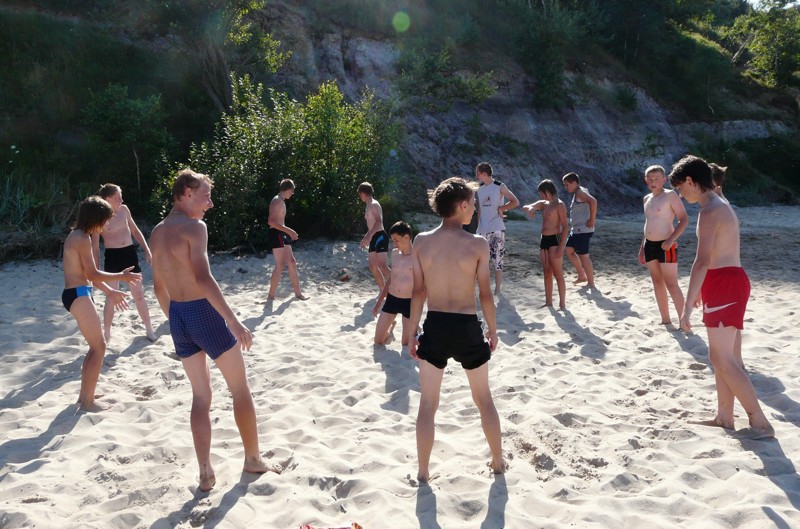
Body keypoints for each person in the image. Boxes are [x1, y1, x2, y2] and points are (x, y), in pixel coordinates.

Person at [150, 168, 279, 491]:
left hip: (177, 315)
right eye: (205, 196)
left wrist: (175, 320)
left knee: (200, 396)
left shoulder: (157, 232)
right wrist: (233, 320)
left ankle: (205, 472)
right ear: (187, 192)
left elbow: (159, 288)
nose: (210, 204)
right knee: (240, 389)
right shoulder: (195, 227)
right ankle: (252, 459)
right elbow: (203, 278)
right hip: (202, 312)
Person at [670, 155, 774, 440]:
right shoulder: (717, 202)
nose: (680, 194)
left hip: (725, 283)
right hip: (724, 281)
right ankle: (724, 417)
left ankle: (760, 424)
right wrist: (701, 291)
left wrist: (686, 306)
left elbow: (702, 261)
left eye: (680, 187)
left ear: (691, 181)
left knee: (721, 358)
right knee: (726, 358)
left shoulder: (711, 210)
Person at [409, 177, 505, 483]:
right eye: (473, 204)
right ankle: (498, 462)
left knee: (428, 404)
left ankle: (423, 471)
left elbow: (418, 292)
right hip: (466, 326)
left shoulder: (421, 241)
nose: (475, 209)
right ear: (462, 205)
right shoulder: (477, 244)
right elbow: (485, 294)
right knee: (484, 399)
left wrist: (411, 332)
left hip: (435, 325)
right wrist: (492, 330)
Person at [62, 196, 141, 411]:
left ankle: (84, 396)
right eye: (105, 220)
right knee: (99, 347)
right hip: (78, 295)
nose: (106, 225)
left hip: (77, 293)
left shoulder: (77, 235)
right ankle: (88, 402)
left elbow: (89, 277)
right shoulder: (82, 238)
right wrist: (122, 276)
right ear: (94, 218)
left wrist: (111, 291)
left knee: (95, 347)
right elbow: (93, 274)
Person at [91, 184, 156, 342]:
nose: (121, 200)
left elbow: (135, 230)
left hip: (129, 254)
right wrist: (95, 268)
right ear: (108, 199)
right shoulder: (99, 217)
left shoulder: (124, 210)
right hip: (112, 256)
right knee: (111, 296)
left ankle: (149, 329)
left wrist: (147, 249)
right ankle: (107, 333)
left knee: (138, 294)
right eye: (118, 197)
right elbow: (95, 246)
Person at [638, 165, 688, 325]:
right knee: (657, 281)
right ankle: (665, 319)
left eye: (656, 179)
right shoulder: (647, 198)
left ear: (664, 180)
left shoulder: (670, 195)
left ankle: (684, 321)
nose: (653, 182)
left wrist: (671, 240)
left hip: (666, 245)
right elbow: (649, 223)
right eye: (650, 179)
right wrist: (642, 248)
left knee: (671, 283)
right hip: (649, 245)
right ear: (646, 181)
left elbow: (684, 219)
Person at [523, 180, 570, 310]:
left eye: (542, 193)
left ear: (547, 191)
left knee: (557, 273)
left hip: (555, 239)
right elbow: (524, 207)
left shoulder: (559, 204)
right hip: (544, 239)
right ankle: (548, 302)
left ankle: (562, 303)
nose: (541, 195)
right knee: (547, 271)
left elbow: (566, 227)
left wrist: (561, 247)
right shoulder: (543, 203)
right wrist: (531, 208)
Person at [475, 162, 519, 295]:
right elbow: (480, 210)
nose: (476, 176)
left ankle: (498, 289)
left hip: (497, 228)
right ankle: (484, 288)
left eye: (478, 173)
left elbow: (515, 202)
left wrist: (502, 208)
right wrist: (478, 228)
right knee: (481, 261)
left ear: (484, 173)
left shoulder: (500, 186)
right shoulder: (479, 189)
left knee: (498, 260)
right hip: (482, 230)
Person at [373, 221, 414, 346]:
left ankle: (414, 328)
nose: (394, 244)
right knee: (378, 341)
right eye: (392, 241)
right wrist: (379, 302)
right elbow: (391, 279)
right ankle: (390, 330)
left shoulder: (418, 257)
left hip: (409, 303)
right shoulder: (395, 254)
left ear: (406, 237)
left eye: (396, 240)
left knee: (405, 343)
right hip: (392, 300)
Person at [267, 179, 308, 301]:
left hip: (282, 233)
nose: (292, 193)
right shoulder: (277, 201)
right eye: (292, 191)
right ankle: (271, 296)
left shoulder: (281, 201)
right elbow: (271, 222)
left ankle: (298, 294)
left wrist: (287, 232)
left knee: (291, 261)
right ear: (289, 189)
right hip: (276, 234)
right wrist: (290, 231)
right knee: (280, 265)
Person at [561, 173, 597, 288]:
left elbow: (593, 202)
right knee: (569, 250)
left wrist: (592, 220)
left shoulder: (580, 192)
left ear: (574, 183)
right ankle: (582, 276)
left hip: (583, 230)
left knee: (584, 256)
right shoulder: (579, 191)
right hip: (576, 230)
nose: (565, 187)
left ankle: (591, 283)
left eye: (567, 185)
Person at [358, 182, 390, 295]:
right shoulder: (368, 205)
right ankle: (383, 290)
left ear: (363, 193)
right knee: (372, 266)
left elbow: (379, 222)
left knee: (382, 265)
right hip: (373, 237)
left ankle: (398, 286)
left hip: (380, 236)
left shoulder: (374, 204)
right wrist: (366, 238)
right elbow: (371, 226)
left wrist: (368, 236)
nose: (360, 196)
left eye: (360, 194)